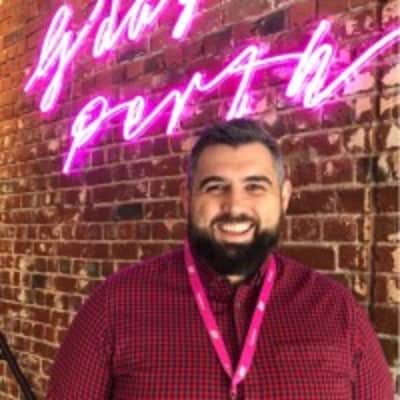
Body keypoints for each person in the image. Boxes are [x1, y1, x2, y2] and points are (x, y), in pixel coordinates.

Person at [47, 119, 393, 399]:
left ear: (284, 196)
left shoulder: (338, 312)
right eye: (215, 187)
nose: (235, 206)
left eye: (255, 186)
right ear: (187, 197)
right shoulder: (113, 307)